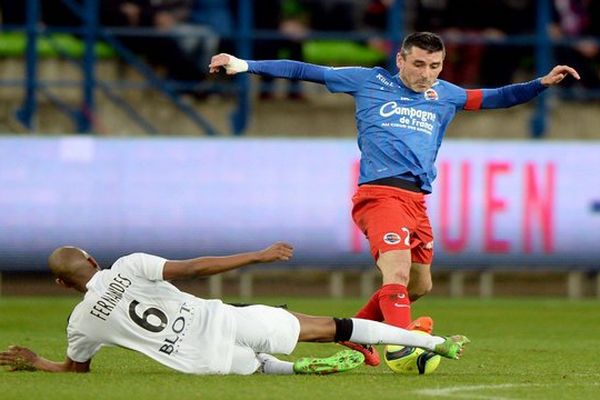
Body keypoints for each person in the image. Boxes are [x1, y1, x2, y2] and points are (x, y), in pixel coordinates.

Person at [208, 32, 579, 366]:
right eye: (418, 64)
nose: (426, 73)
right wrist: (242, 64)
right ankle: (404, 346)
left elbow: (497, 97)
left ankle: (359, 336)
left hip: (416, 202)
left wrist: (541, 83)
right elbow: (306, 70)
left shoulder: (445, 94)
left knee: (420, 285)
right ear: (400, 60)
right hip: (380, 194)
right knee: (397, 274)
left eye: (435, 66)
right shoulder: (370, 81)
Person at [0, 242, 469, 375]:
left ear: (64, 284)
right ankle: (432, 343)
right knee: (332, 325)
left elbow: (74, 369)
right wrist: (256, 255)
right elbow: (196, 268)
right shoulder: (130, 264)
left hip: (206, 365)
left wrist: (34, 361)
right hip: (225, 319)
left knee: (258, 365)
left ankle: (289, 371)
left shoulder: (79, 322)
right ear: (93, 261)